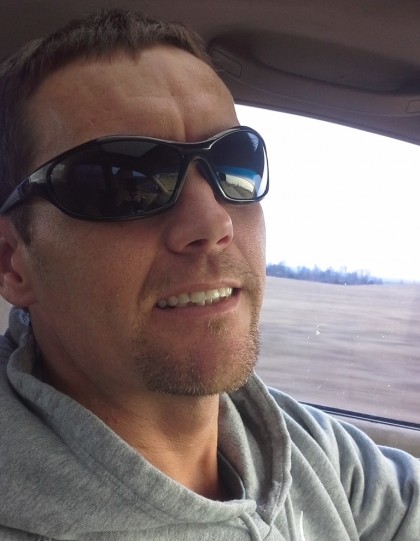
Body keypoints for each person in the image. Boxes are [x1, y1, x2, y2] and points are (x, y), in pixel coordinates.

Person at [0, 8, 418, 541]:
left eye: (234, 165)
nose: (214, 222)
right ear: (12, 262)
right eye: (126, 183)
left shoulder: (304, 447)